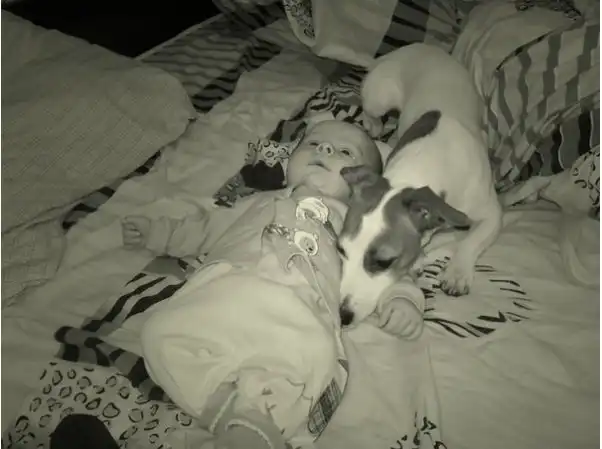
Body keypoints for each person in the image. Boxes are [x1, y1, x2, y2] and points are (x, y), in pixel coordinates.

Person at [121, 120, 425, 449]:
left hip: (298, 310)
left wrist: (403, 298)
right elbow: (203, 228)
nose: (324, 149)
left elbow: (384, 267)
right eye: (313, 143)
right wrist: (157, 233)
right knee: (160, 333)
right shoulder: (256, 202)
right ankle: (236, 413)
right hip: (226, 293)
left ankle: (249, 423)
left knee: (314, 357)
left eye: (345, 152)